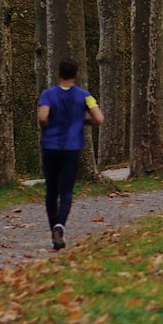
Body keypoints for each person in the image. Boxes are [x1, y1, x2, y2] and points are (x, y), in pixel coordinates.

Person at [36, 59, 104, 250]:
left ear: (59, 74)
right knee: (66, 190)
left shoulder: (48, 94)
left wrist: (47, 126)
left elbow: (42, 117)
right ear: (76, 75)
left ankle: (53, 232)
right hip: (72, 146)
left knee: (51, 190)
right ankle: (61, 225)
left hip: (50, 145)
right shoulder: (85, 96)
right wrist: (84, 121)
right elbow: (99, 118)